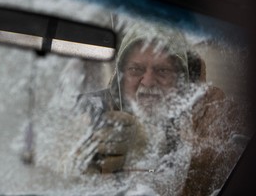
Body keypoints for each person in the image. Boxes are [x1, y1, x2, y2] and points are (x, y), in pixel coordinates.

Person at [75, 22, 249, 195]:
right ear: (121, 76)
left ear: (181, 80)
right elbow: (63, 150)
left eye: (162, 71)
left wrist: (201, 155)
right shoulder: (92, 108)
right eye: (136, 69)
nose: (148, 81)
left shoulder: (202, 116)